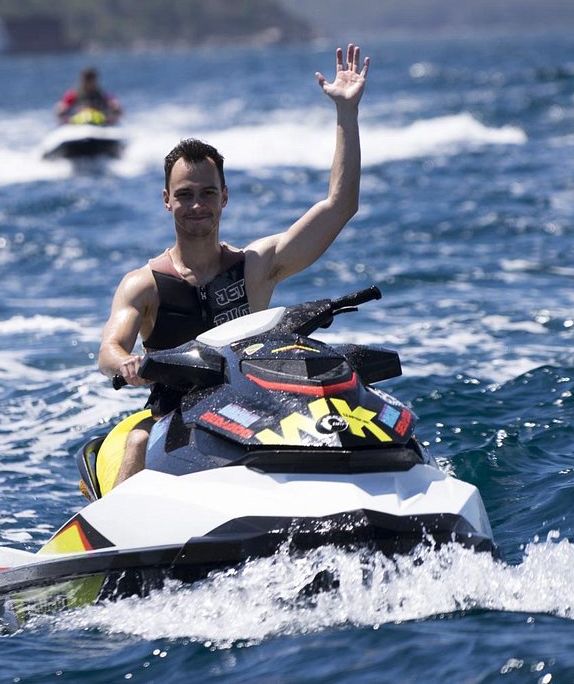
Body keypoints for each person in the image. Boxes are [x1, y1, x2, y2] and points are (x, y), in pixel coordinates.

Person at [97, 44, 370, 486]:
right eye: (184, 194)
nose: (196, 204)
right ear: (167, 201)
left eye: (207, 193)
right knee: (135, 442)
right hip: (175, 414)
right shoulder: (144, 285)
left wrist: (347, 113)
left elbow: (340, 206)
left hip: (254, 409)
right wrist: (125, 363)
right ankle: (116, 544)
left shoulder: (256, 267)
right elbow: (109, 348)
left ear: (223, 197)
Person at [55, 66, 122, 125]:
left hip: (100, 123)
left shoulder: (103, 95)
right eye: (86, 79)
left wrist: (115, 108)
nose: (88, 83)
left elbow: (115, 105)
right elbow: (61, 107)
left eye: (90, 80)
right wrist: (61, 110)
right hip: (77, 124)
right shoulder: (72, 95)